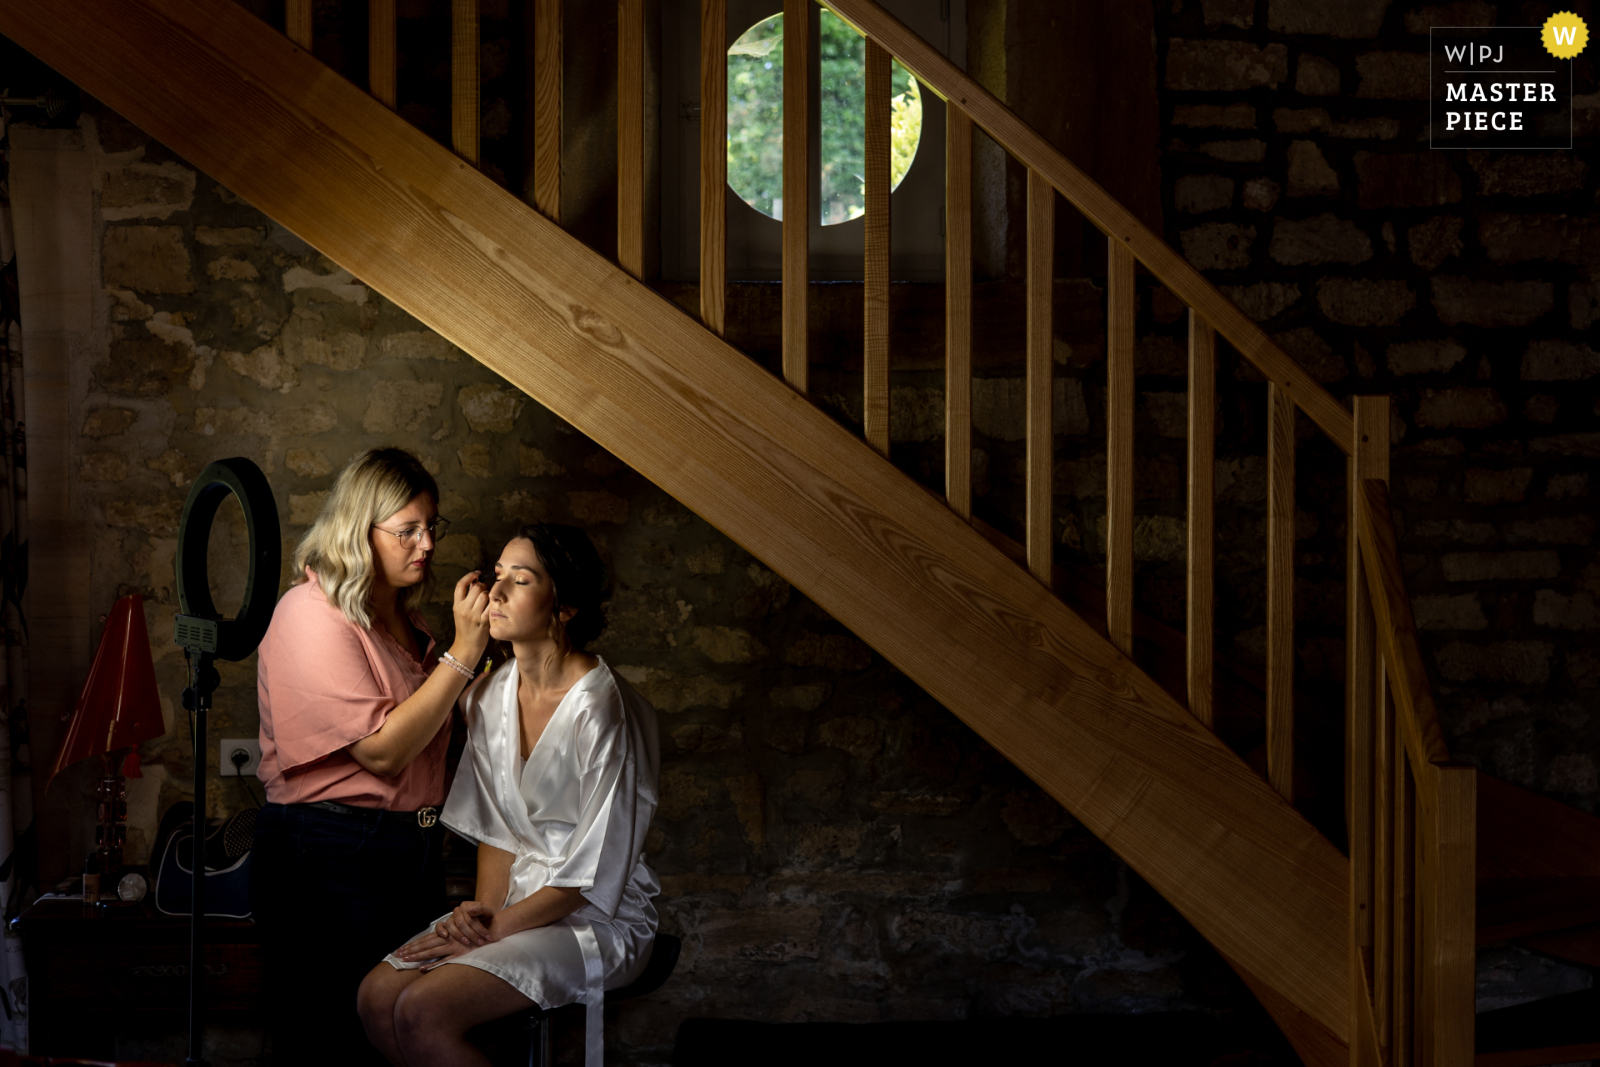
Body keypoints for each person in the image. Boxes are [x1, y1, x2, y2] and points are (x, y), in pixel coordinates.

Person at [356, 524, 661, 1067]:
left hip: (595, 916)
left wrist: (497, 929)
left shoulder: (604, 710)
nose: (494, 593)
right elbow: (497, 831)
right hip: (510, 907)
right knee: (377, 999)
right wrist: (479, 918)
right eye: (497, 576)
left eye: (519, 581)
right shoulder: (487, 696)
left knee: (423, 1012)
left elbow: (590, 875)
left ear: (564, 607)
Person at [251, 447, 492, 1066]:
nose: (427, 543)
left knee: (398, 1030)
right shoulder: (311, 614)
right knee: (333, 1040)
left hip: (409, 851)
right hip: (328, 852)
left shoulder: (405, 625)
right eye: (407, 529)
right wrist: (463, 655)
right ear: (361, 529)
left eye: (431, 526)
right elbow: (383, 754)